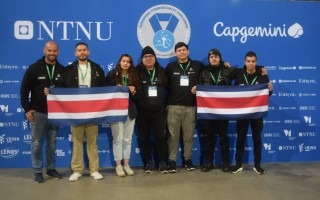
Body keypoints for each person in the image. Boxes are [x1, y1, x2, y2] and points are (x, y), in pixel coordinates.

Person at [20, 41, 64, 183]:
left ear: (58, 52)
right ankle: (38, 171)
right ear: (44, 50)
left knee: (51, 143)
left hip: (55, 113)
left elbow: (65, 91)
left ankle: (51, 169)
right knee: (37, 142)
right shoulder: (34, 68)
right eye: (49, 50)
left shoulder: (62, 70)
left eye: (55, 51)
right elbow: (24, 90)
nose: (52, 53)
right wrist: (27, 109)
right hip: (38, 112)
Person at [62, 42, 106, 181]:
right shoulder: (68, 70)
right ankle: (77, 170)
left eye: (84, 50)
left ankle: (94, 170)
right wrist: (50, 91)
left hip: (93, 111)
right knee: (77, 142)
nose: (82, 52)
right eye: (79, 50)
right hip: (75, 112)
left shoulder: (97, 68)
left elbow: (104, 89)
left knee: (92, 142)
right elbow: (61, 89)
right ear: (75, 53)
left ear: (88, 52)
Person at [230, 51, 273, 175]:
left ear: (256, 62)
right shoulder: (238, 73)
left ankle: (257, 165)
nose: (251, 64)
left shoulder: (263, 75)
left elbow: (267, 94)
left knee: (257, 139)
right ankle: (238, 164)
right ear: (245, 62)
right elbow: (225, 73)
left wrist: (271, 89)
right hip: (242, 113)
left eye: (253, 61)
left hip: (256, 114)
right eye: (248, 61)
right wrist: (224, 64)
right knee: (240, 138)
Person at [165, 42, 204, 172]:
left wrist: (225, 65)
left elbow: (211, 72)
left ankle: (187, 160)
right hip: (173, 106)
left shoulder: (197, 65)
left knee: (188, 136)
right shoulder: (170, 67)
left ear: (188, 51)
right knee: (172, 136)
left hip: (190, 106)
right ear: (176, 53)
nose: (181, 52)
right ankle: (172, 161)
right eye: (179, 50)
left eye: (184, 50)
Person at [106, 54, 140, 177]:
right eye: (123, 61)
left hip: (130, 111)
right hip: (115, 111)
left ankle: (126, 164)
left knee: (127, 139)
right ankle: (118, 165)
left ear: (130, 64)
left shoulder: (134, 76)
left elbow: (138, 97)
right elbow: (106, 94)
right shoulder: (112, 75)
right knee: (117, 139)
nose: (126, 63)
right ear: (119, 62)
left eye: (128, 62)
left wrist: (134, 91)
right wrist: (115, 89)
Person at [198, 48, 233, 172]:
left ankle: (225, 163)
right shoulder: (203, 73)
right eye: (212, 57)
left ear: (220, 58)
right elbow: (199, 89)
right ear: (209, 59)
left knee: (223, 137)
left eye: (216, 56)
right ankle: (208, 162)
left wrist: (229, 67)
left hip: (223, 111)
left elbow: (242, 72)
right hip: (208, 111)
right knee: (209, 138)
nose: (214, 59)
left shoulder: (227, 71)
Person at [135, 46, 168, 174]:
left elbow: (170, 89)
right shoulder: (136, 72)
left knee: (160, 137)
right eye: (145, 57)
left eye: (151, 56)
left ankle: (162, 162)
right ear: (142, 59)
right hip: (142, 112)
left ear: (155, 58)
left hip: (159, 111)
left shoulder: (162, 71)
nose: (148, 59)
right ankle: (148, 162)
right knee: (145, 138)